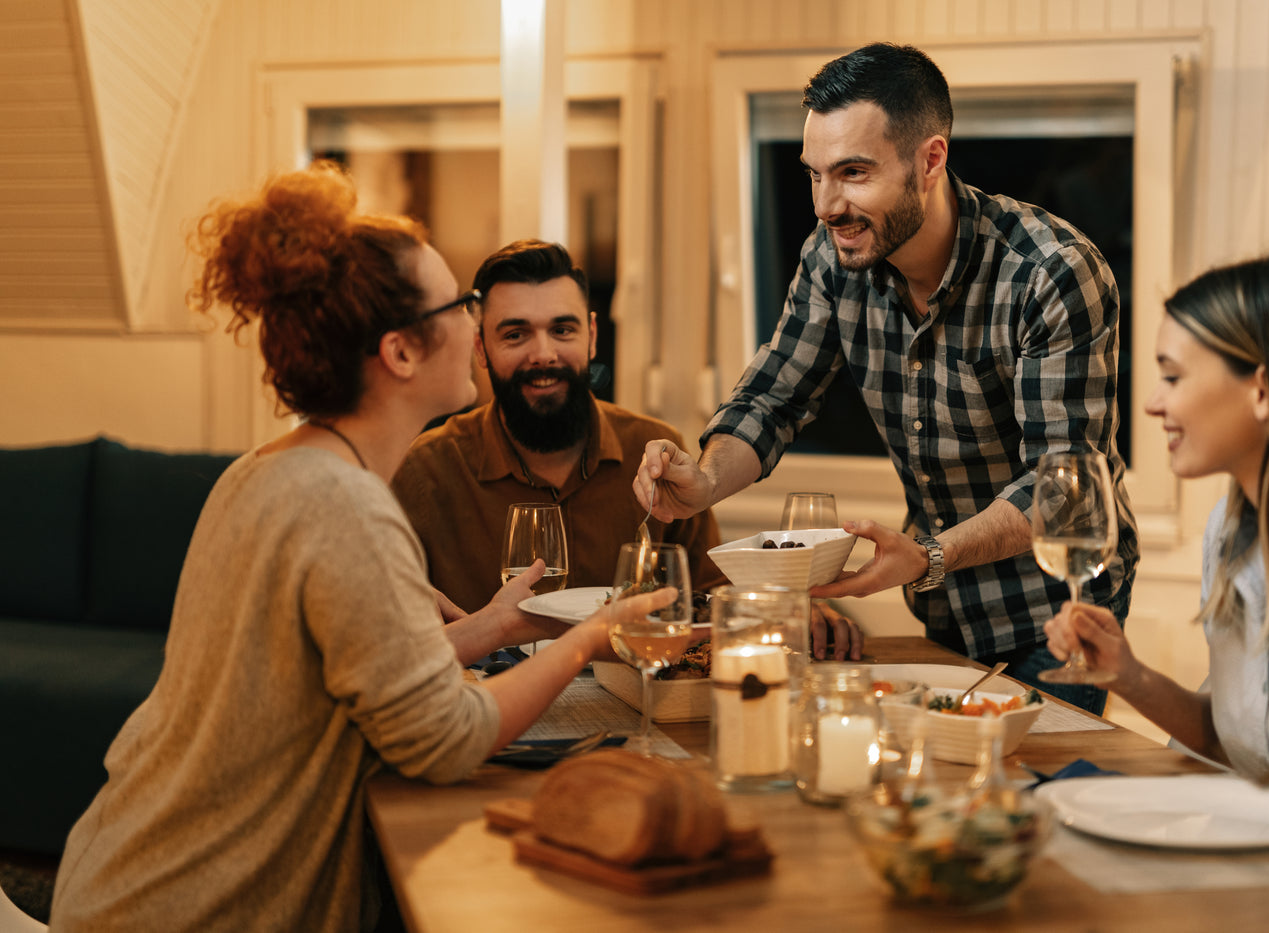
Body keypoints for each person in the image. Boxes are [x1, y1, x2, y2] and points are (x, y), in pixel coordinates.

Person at [49, 164, 675, 932]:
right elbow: (448, 739)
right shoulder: (344, 504)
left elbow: (348, 673)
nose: (479, 331)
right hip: (193, 902)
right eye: (462, 307)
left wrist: (497, 626)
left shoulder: (273, 468)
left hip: (127, 871)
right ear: (401, 353)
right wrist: (586, 638)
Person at [635, 42, 1136, 710]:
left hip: (1057, 608)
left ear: (930, 160)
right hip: (946, 607)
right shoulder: (833, 257)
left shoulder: (1049, 272)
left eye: (852, 173)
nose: (825, 204)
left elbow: (1065, 487)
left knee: (1026, 800)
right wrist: (703, 481)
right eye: (814, 174)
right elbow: (772, 398)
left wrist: (928, 554)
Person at [1046, 249, 1269, 852]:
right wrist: (1127, 675)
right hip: (1253, 882)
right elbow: (1235, 741)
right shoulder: (1229, 535)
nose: (1154, 403)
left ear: (1261, 388)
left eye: (1173, 376)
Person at [392, 240, 863, 659]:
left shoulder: (653, 453)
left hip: (631, 708)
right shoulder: (425, 470)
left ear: (592, 335)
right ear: (480, 348)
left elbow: (709, 598)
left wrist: (793, 607)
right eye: (515, 334)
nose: (543, 354)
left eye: (563, 330)